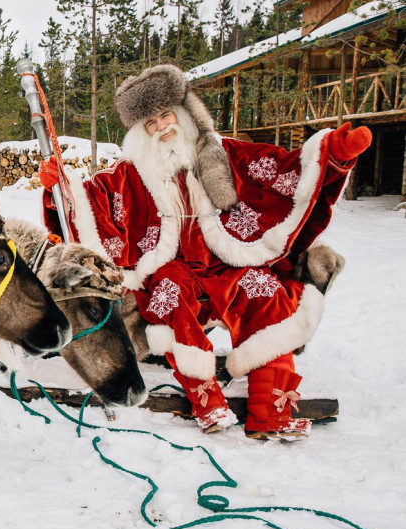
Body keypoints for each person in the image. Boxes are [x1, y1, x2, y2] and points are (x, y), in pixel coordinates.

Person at [39, 64, 371, 439]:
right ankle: (207, 403)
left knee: (266, 293)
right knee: (169, 297)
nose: (162, 126)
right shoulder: (132, 172)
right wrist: (61, 189)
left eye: (166, 115)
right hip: (172, 267)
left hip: (226, 261)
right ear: (140, 132)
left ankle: (271, 409)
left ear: (181, 113)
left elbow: (280, 168)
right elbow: (93, 200)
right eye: (150, 122)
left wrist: (333, 154)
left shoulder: (223, 153)